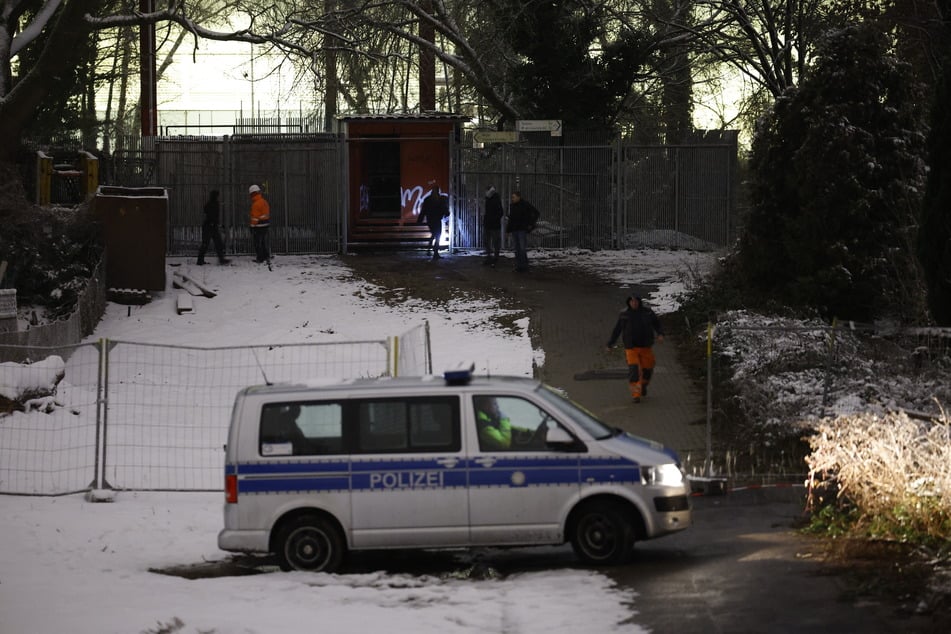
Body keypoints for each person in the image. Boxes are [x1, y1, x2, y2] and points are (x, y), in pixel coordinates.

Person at [605, 295, 664, 403]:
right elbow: (617, 330)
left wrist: (660, 333)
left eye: (636, 301)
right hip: (631, 348)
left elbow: (657, 323)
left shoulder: (647, 313)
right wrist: (610, 344)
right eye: (632, 302)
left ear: (639, 302)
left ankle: (643, 385)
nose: (634, 304)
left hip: (646, 347)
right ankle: (636, 394)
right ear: (629, 303)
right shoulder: (624, 315)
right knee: (634, 371)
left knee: (647, 369)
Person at [506, 191, 539, 272]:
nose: (512, 199)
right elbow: (511, 219)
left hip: (521, 230)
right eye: (512, 197)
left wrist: (530, 223)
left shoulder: (525, 204)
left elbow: (536, 213)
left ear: (518, 197)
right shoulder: (513, 206)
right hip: (515, 230)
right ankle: (519, 266)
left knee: (522, 248)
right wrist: (508, 230)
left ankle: (524, 266)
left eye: (513, 197)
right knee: (517, 248)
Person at [197, 190, 230, 265]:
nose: (218, 197)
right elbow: (211, 214)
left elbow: (205, 210)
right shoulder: (214, 204)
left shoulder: (210, 203)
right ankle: (221, 259)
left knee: (209, 243)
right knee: (215, 243)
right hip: (210, 226)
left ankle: (201, 260)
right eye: (218, 196)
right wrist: (214, 221)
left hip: (210, 225)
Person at [417, 181, 449, 259]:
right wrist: (447, 213)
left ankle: (430, 250)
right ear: (438, 191)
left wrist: (420, 220)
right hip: (437, 220)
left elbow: (423, 210)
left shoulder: (427, 199)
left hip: (430, 220)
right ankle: (435, 253)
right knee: (437, 236)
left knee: (434, 234)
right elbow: (444, 208)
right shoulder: (440, 199)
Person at [248, 184, 271, 264]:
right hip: (265, 225)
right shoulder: (264, 202)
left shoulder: (255, 204)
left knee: (257, 243)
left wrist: (252, 226)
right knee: (263, 242)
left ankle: (260, 258)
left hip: (258, 226)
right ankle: (266, 255)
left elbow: (255, 218)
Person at [483, 186, 504, 266]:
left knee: (494, 242)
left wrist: (493, 219)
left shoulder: (495, 199)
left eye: (486, 191)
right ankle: (491, 257)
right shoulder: (489, 198)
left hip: (494, 225)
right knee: (488, 242)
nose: (485, 193)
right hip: (489, 224)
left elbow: (500, 212)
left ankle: (494, 258)